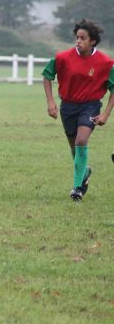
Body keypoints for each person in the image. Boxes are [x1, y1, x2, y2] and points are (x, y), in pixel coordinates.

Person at [42, 19, 114, 201]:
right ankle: (85, 172)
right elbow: (47, 76)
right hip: (68, 107)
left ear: (93, 41)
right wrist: (51, 102)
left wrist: (105, 113)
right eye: (77, 37)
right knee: (75, 147)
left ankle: (76, 188)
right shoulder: (62, 58)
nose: (78, 41)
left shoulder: (105, 62)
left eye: (83, 38)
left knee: (82, 141)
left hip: (90, 106)